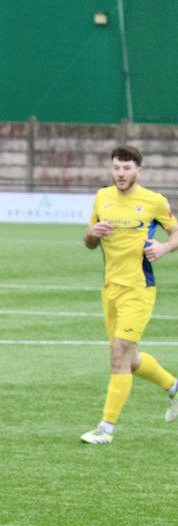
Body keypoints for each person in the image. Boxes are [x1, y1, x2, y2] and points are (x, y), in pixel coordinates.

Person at [79, 145, 178, 444]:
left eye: (126, 169)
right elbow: (89, 241)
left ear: (138, 171)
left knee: (118, 354)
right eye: (116, 168)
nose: (121, 174)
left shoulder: (153, 201)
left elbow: (175, 232)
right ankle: (174, 388)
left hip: (139, 289)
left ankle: (105, 428)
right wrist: (92, 234)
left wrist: (163, 247)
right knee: (130, 361)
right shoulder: (103, 197)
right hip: (110, 289)